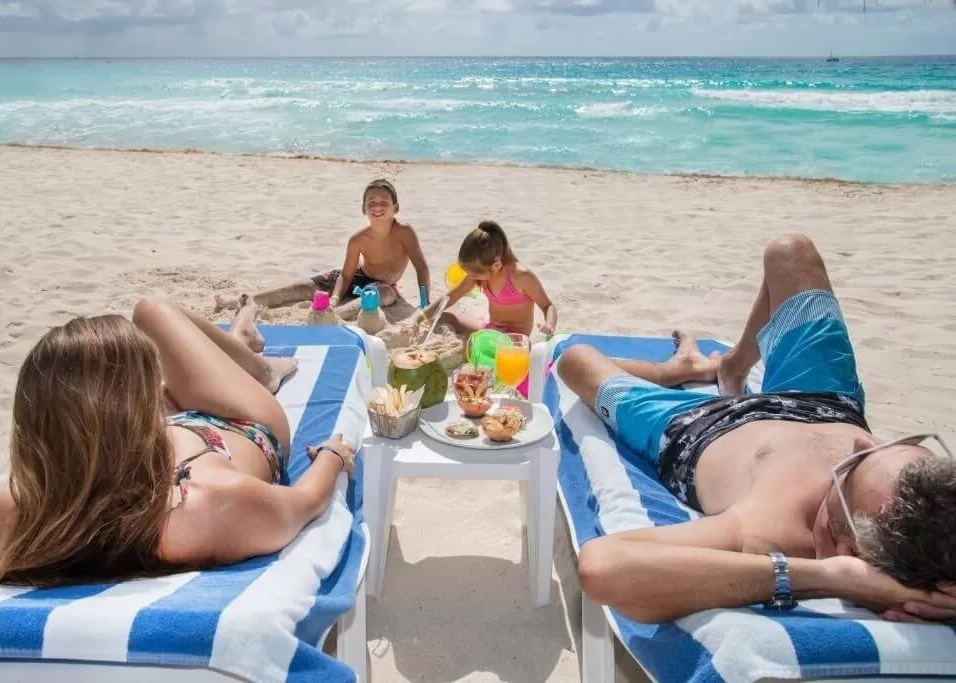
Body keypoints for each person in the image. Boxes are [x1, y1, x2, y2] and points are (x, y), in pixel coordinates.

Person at [557, 234, 956, 624]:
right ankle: (733, 366)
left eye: (847, 471)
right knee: (790, 253)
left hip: (700, 426)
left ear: (846, 548)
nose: (860, 443)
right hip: (826, 401)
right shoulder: (891, 469)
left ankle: (676, 371)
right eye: (879, 448)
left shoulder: (771, 527)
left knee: (575, 361)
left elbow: (603, 567)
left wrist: (831, 578)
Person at [0, 295, 356, 586]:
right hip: (240, 422)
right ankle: (260, 369)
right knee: (151, 311)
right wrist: (331, 455)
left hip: (137, 443)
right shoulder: (213, 504)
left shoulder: (9, 514)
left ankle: (239, 338)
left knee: (149, 374)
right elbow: (305, 502)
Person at [214, 179, 431, 321]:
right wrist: (335, 297)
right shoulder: (358, 239)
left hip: (382, 286)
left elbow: (421, 267)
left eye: (384, 202)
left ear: (396, 207)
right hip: (352, 279)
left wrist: (424, 303)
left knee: (379, 294)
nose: (377, 206)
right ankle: (241, 300)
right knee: (297, 288)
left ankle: (333, 315)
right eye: (371, 202)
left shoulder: (405, 232)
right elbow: (346, 275)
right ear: (363, 208)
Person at [419, 220, 558, 339]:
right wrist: (420, 317)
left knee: (477, 348)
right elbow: (451, 296)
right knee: (445, 316)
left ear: (496, 265)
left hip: (514, 340)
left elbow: (548, 306)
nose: (471, 277)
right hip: (490, 330)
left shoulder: (521, 277)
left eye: (474, 275)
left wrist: (549, 325)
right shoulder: (481, 273)